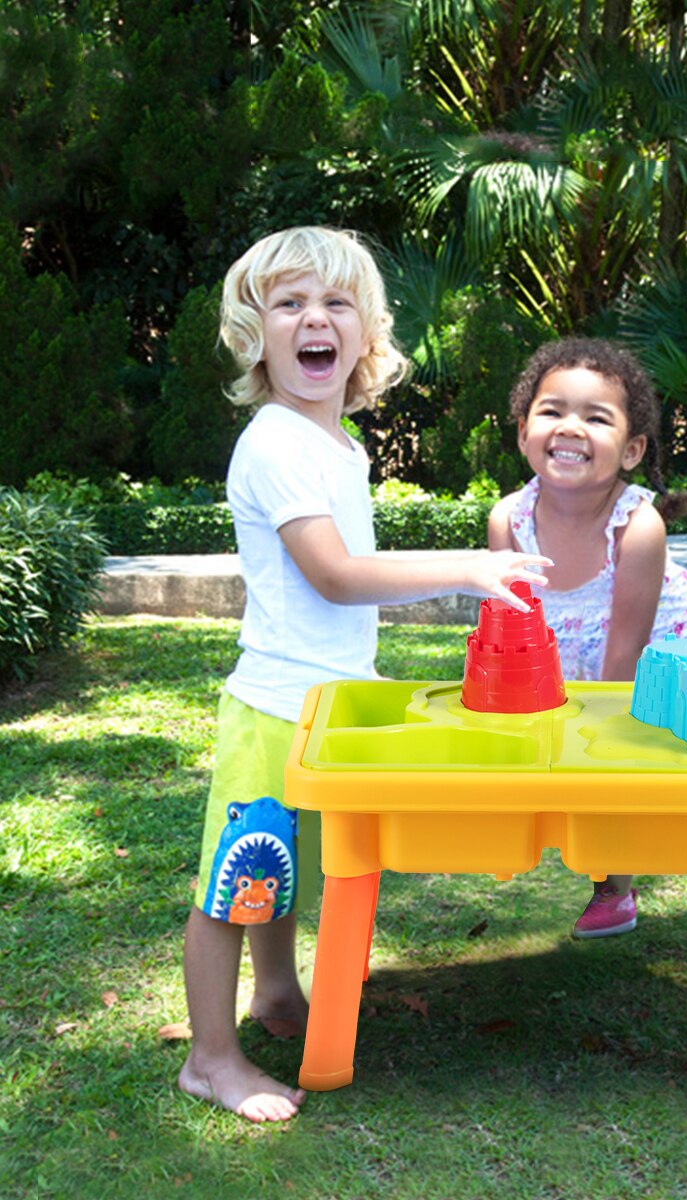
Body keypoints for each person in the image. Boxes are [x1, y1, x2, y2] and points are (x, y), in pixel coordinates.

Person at [177, 226, 550, 1123]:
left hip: (326, 702)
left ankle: (273, 995)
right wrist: (466, 567)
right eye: (291, 304)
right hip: (274, 706)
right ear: (253, 333)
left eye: (336, 303)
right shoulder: (273, 443)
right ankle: (211, 1058)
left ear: (366, 335)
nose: (315, 320)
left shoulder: (336, 443)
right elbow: (336, 576)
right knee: (235, 884)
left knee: (287, 872)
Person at [488, 338, 687, 983]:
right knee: (595, 777)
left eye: (597, 417)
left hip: (674, 661)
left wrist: (592, 726)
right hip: (575, 659)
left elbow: (624, 657)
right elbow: (513, 632)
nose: (571, 427)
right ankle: (613, 888)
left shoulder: (638, 526)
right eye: (553, 412)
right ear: (523, 433)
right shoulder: (508, 522)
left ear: (631, 451)